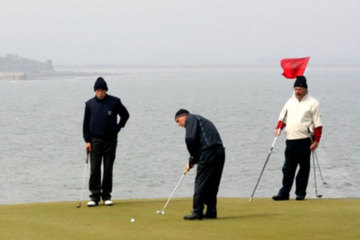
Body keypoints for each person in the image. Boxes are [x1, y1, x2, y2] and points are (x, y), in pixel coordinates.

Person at [272, 76, 323, 201]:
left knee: (304, 169)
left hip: (305, 140)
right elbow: (282, 118)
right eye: (296, 89)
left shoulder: (313, 103)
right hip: (290, 140)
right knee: (288, 168)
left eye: (300, 89)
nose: (297, 91)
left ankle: (300, 193)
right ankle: (284, 193)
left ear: (305, 89)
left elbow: (318, 124)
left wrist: (316, 141)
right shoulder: (290, 102)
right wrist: (278, 128)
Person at [83, 77, 129, 207]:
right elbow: (85, 124)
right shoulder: (89, 104)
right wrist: (87, 141)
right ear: (94, 91)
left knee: (108, 168)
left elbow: (125, 115)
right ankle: (94, 196)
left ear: (106, 90)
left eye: (102, 90)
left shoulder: (114, 102)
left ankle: (106, 195)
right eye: (97, 90)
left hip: (110, 139)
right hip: (94, 140)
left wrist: (118, 127)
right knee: (95, 168)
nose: (100, 93)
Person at [175, 109, 225, 220]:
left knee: (200, 181)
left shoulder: (191, 118)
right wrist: (194, 160)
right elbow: (199, 141)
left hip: (209, 152)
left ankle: (197, 211)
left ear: (184, 116)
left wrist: (192, 158)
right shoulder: (200, 120)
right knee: (212, 182)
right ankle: (211, 211)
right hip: (219, 152)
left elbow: (190, 138)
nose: (179, 124)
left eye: (178, 121)